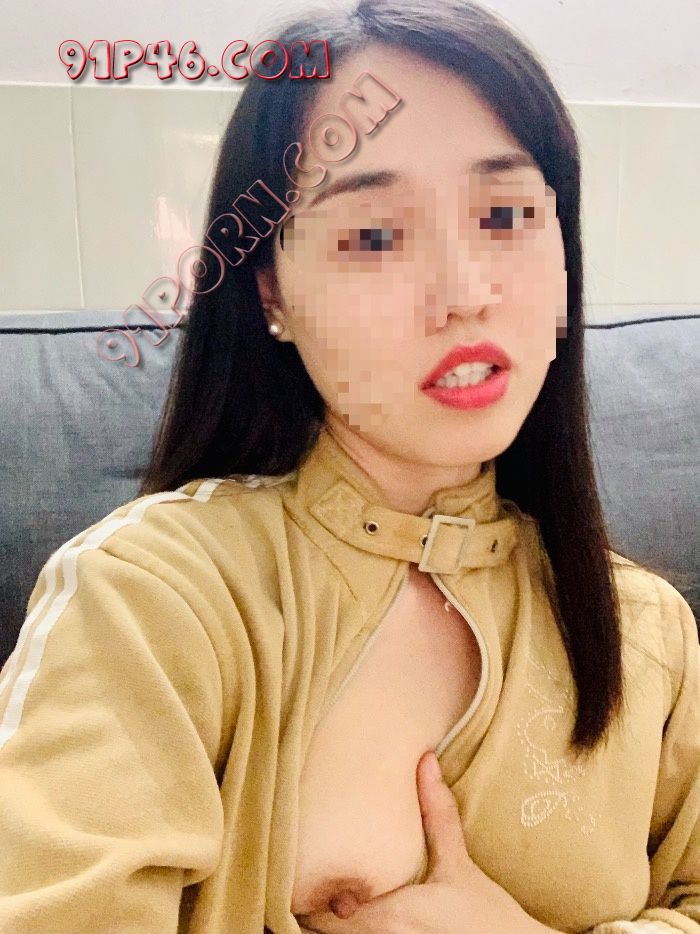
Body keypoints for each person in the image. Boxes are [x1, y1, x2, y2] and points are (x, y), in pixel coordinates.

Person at [1, 1, 698, 933]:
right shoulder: (153, 598)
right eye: (374, 235)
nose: (464, 293)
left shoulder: (648, 633)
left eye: (505, 215)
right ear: (272, 291)